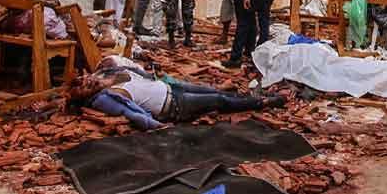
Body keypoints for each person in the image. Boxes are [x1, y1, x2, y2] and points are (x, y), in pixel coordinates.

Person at [68, 58, 285, 129]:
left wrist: (153, 72)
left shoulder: (105, 70)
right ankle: (262, 103)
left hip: (170, 87)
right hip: (173, 106)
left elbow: (137, 71)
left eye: (83, 79)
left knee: (212, 90)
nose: (87, 81)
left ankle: (250, 98)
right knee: (217, 100)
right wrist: (157, 126)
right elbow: (130, 113)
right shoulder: (105, 98)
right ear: (87, 97)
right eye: (85, 87)